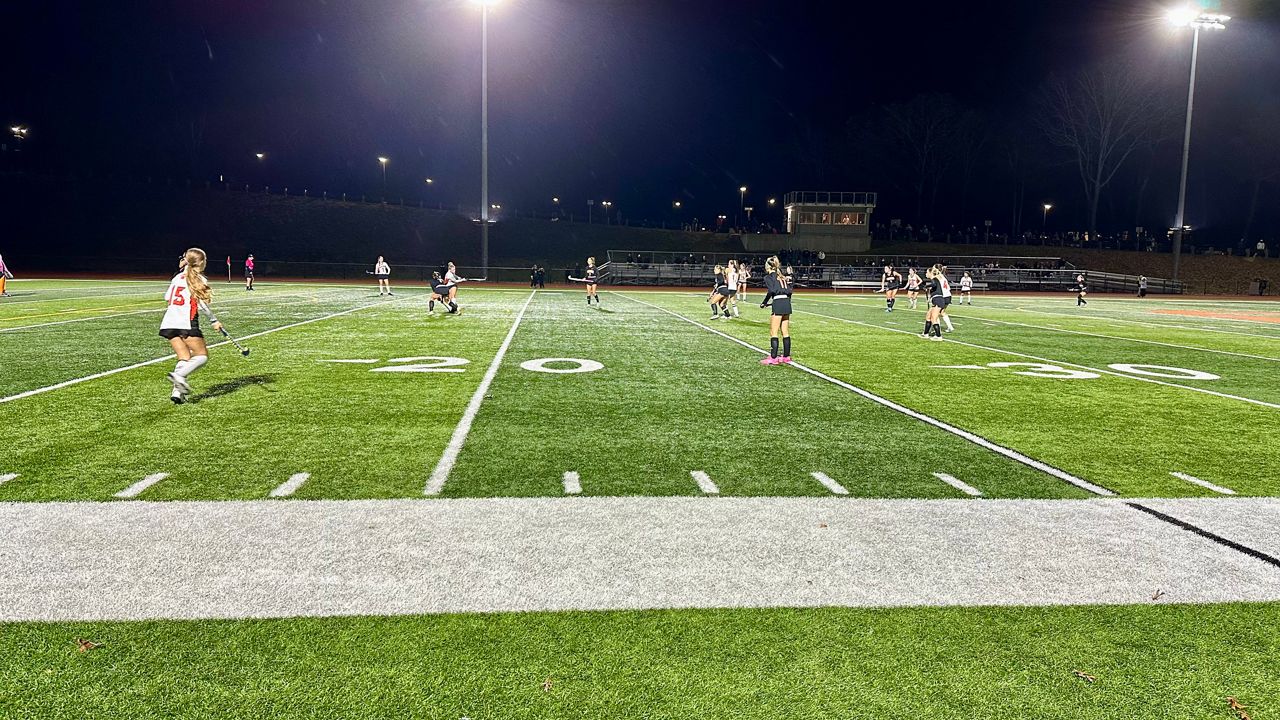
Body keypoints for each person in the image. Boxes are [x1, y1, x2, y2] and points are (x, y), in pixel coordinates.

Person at [160, 248, 224, 404]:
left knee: (184, 357)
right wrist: (214, 320)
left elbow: (167, 297)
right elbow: (202, 304)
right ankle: (179, 376)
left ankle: (177, 392)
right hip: (186, 322)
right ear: (201, 262)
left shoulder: (177, 277)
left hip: (169, 322)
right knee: (201, 356)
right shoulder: (199, 279)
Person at [759, 256, 794, 364]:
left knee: (773, 331)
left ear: (768, 266)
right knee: (785, 331)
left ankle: (773, 358)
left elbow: (771, 291)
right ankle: (786, 356)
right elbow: (789, 291)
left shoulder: (769, 277)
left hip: (778, 303)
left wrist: (764, 302)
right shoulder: (782, 276)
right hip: (787, 303)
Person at [919, 265, 950, 342]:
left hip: (938, 300)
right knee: (928, 316)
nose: (926, 274)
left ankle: (938, 336)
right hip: (936, 300)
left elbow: (934, 284)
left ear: (930, 273)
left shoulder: (934, 278)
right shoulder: (935, 279)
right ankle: (925, 334)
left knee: (933, 318)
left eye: (927, 272)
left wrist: (927, 286)